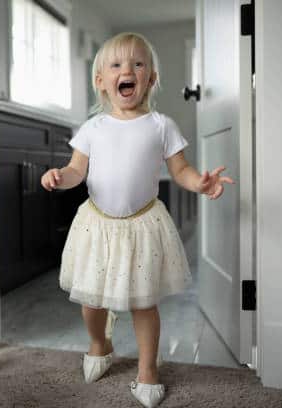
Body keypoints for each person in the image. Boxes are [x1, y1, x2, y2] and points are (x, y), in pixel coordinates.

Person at [40, 32, 234, 408]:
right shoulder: (93, 128)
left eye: (137, 64)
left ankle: (148, 369)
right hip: (97, 227)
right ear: (101, 81)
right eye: (116, 65)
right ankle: (100, 342)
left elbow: (181, 171)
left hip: (143, 227)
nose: (126, 70)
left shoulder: (161, 126)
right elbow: (76, 170)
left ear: (150, 79)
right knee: (91, 301)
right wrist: (59, 177)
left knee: (143, 303)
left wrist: (201, 183)